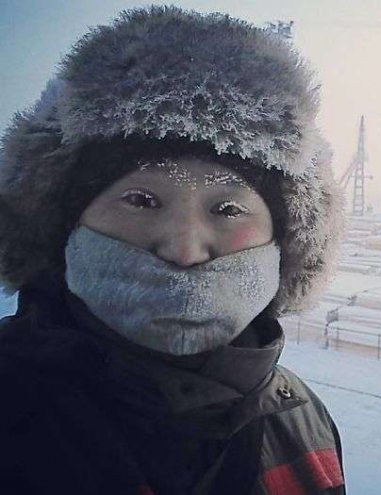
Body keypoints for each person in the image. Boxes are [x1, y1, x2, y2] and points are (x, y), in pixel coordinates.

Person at [0, 6, 345, 495]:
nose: (184, 250)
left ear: (286, 241)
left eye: (228, 209)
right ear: (61, 226)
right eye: (142, 200)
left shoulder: (303, 423)